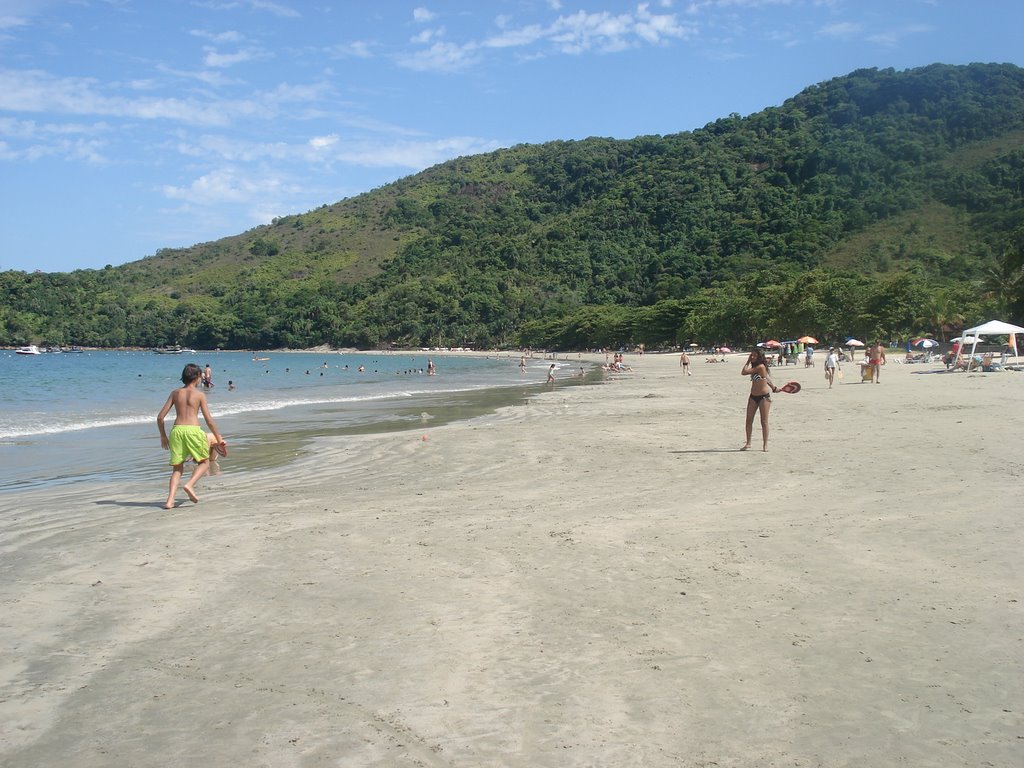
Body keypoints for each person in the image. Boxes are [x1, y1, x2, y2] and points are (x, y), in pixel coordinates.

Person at [157, 363, 224, 509]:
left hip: (177, 431)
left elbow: (160, 417)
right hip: (193, 430)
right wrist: (219, 439)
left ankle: (169, 501)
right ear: (198, 378)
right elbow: (209, 420)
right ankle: (189, 484)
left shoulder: (175, 393)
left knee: (177, 468)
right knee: (204, 462)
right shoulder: (200, 395)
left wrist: (163, 436)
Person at [741, 348, 779, 452]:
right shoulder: (756, 368)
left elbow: (743, 372)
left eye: (754, 356)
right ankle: (748, 443)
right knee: (749, 420)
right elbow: (766, 378)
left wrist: (748, 361)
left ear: (759, 357)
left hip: (764, 397)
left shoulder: (761, 367)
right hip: (753, 396)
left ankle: (765, 445)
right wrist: (774, 387)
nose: (752, 357)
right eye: (751, 355)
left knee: (764, 421)